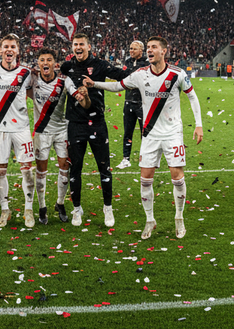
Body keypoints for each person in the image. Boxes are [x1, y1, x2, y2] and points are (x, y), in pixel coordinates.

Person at [89, 36, 203, 239]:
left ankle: (179, 218)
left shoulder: (177, 74)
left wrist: (199, 124)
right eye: (148, 47)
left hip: (172, 133)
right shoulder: (140, 74)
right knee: (145, 180)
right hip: (150, 134)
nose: (149, 50)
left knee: (177, 177)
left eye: (153, 47)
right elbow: (118, 86)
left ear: (163, 51)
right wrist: (94, 84)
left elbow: (192, 96)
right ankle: (150, 220)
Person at [60, 33, 127, 227]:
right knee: (75, 169)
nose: (78, 47)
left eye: (82, 44)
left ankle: (108, 208)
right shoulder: (67, 66)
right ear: (72, 47)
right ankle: (76, 209)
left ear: (89, 47)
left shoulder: (100, 65)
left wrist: (141, 70)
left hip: (97, 122)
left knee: (104, 167)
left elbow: (121, 76)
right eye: (75, 44)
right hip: (74, 124)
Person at [29, 48, 90, 224]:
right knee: (41, 170)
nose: (46, 63)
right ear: (38, 63)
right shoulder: (32, 79)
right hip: (42, 131)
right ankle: (42, 207)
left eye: (49, 60)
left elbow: (80, 100)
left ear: (55, 64)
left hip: (62, 130)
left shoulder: (64, 81)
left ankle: (60, 203)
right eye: (42, 60)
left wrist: (83, 96)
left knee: (64, 167)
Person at [0, 34, 35, 228]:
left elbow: (34, 91)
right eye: (6, 47)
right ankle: (5, 209)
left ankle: (28, 209)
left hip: (21, 128)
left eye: (13, 46)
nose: (9, 50)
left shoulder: (27, 73)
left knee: (27, 171)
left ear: (18, 50)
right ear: (0, 50)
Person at [117, 41, 150, 170]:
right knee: (127, 132)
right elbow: (125, 79)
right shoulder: (127, 62)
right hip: (128, 102)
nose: (131, 51)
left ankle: (146, 157)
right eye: (130, 48)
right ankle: (126, 159)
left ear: (141, 50)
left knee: (145, 132)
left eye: (134, 49)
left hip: (142, 103)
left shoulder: (147, 63)